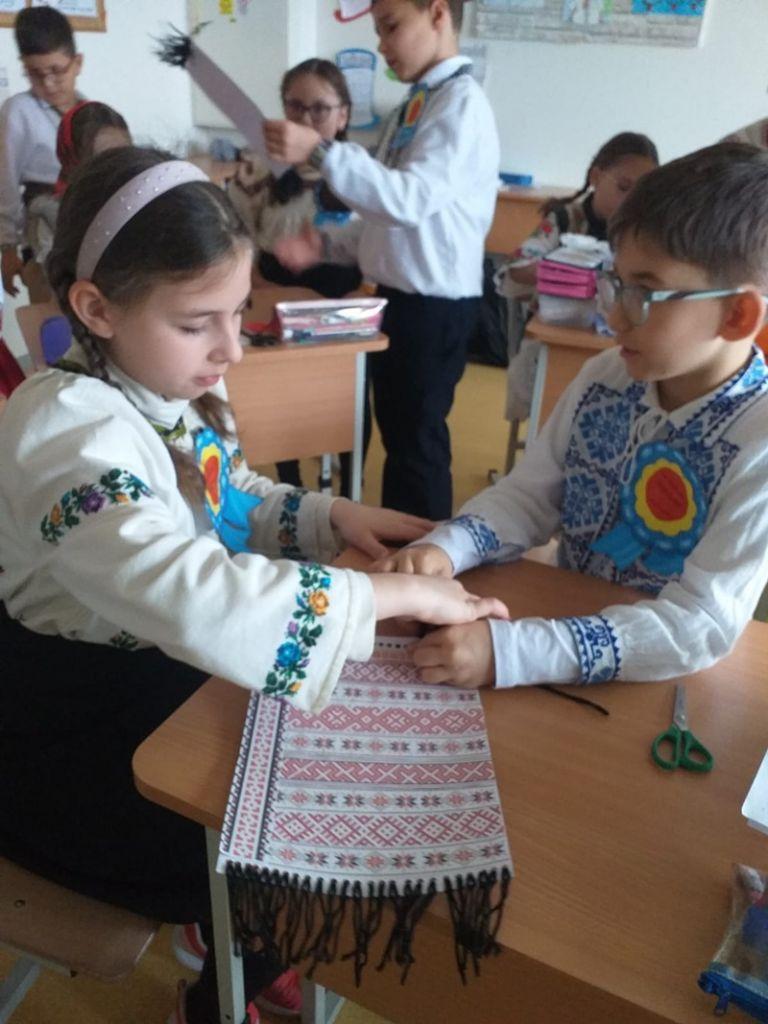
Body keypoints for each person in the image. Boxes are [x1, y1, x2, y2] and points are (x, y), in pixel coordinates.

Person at [0, 146, 508, 1024]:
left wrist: (331, 516)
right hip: (68, 745)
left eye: (238, 312)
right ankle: (222, 979)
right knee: (292, 834)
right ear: (97, 308)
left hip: (150, 684)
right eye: (199, 322)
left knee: (311, 760)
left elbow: (224, 497)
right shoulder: (64, 431)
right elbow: (190, 590)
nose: (232, 348)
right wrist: (390, 597)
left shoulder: (157, 386)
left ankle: (234, 940)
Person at [374, 143, 768, 693]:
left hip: (657, 686)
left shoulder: (757, 440)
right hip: (561, 635)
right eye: (616, 282)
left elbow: (698, 625)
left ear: (737, 314)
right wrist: (447, 547)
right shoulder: (606, 377)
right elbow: (528, 497)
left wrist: (513, 652)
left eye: (644, 292)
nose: (613, 314)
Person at [264, 0, 500, 521]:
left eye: (391, 26)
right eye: (377, 29)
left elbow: (407, 201)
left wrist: (320, 152)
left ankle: (424, 556)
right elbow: (386, 216)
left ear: (437, 13)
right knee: (401, 439)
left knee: (416, 447)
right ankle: (403, 547)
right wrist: (326, 246)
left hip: (434, 307)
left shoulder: (460, 104)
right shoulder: (420, 102)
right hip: (401, 299)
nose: (382, 44)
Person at [229, 57, 364, 494]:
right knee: (280, 399)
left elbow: (378, 242)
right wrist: (260, 284)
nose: (306, 120)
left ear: (342, 115)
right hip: (274, 294)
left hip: (342, 302)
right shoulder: (256, 166)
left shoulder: (361, 171)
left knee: (347, 402)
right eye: (295, 107)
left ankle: (351, 489)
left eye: (319, 109)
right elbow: (237, 235)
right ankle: (291, 487)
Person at [497, 132, 658, 422]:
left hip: (615, 341)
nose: (630, 201)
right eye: (623, 187)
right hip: (555, 336)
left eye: (641, 193)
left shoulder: (642, 233)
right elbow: (516, 268)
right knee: (552, 407)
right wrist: (562, 272)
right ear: (596, 177)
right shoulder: (564, 218)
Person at [0, 4, 83, 300]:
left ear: (77, 63)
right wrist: (7, 247)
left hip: (87, 227)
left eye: (57, 71)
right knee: (52, 315)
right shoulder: (18, 111)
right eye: (35, 74)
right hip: (43, 234)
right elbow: (5, 182)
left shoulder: (89, 110)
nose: (48, 83)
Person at [29, 100, 131, 267]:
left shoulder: (143, 200)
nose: (114, 168)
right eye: (98, 160)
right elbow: (56, 277)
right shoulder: (51, 217)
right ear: (72, 160)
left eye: (122, 155)